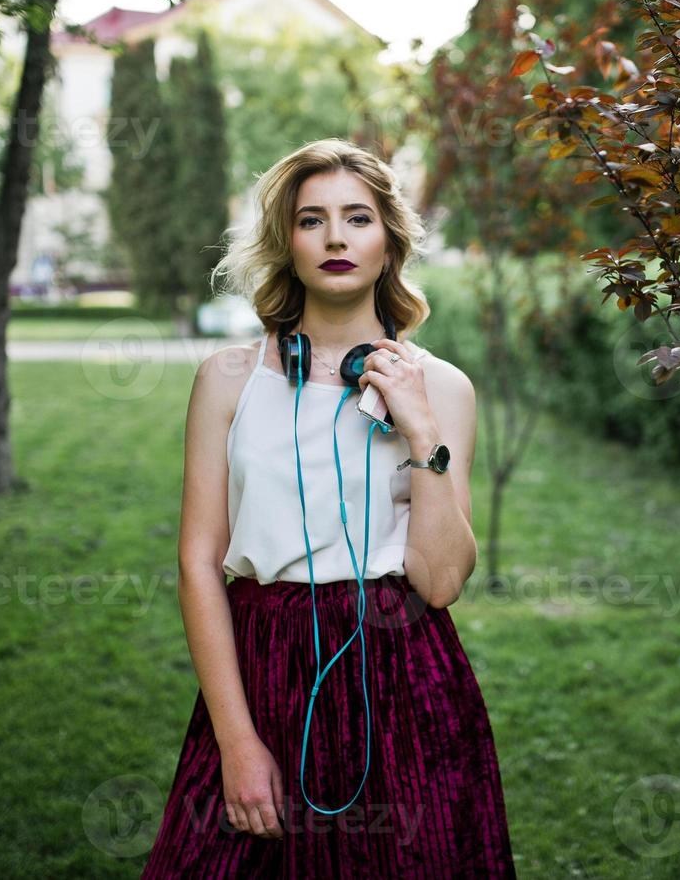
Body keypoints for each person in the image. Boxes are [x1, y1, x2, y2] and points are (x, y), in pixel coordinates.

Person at [141, 139, 517, 878]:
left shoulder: (441, 388)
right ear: (287, 242)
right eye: (312, 220)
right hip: (262, 663)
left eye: (357, 218)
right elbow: (196, 562)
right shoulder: (227, 379)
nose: (336, 238)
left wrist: (421, 431)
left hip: (403, 671)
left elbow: (439, 583)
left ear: (390, 241)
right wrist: (236, 741)